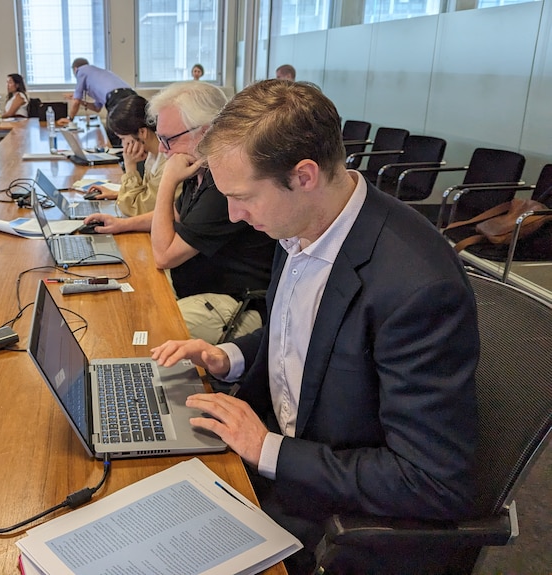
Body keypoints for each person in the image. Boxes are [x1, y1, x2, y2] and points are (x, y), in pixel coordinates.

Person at [151, 80, 479, 573]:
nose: (235, 216)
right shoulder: (303, 222)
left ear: (303, 175)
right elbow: (311, 329)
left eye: (243, 198)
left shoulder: (418, 287)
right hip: (277, 456)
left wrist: (267, 449)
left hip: (330, 515)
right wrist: (231, 356)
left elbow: (433, 481)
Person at [83, 82, 276, 344]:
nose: (162, 149)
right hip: (202, 290)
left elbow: (164, 255)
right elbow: (174, 215)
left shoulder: (224, 183)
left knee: (139, 327)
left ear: (205, 132)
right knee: (124, 299)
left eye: (168, 139)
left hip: (237, 304)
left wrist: (167, 181)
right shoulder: (197, 166)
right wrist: (121, 225)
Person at [87, 94, 180, 217]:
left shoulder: (167, 163)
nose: (123, 144)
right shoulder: (153, 155)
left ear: (142, 132)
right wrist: (119, 193)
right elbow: (148, 194)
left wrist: (130, 167)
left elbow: (136, 209)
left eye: (123, 138)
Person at [56, 58, 135, 127]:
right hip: (131, 95)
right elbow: (97, 108)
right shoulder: (97, 75)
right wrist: (81, 101)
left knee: (116, 131)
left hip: (116, 97)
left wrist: (69, 119)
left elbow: (76, 102)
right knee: (130, 129)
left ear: (75, 69)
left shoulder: (81, 71)